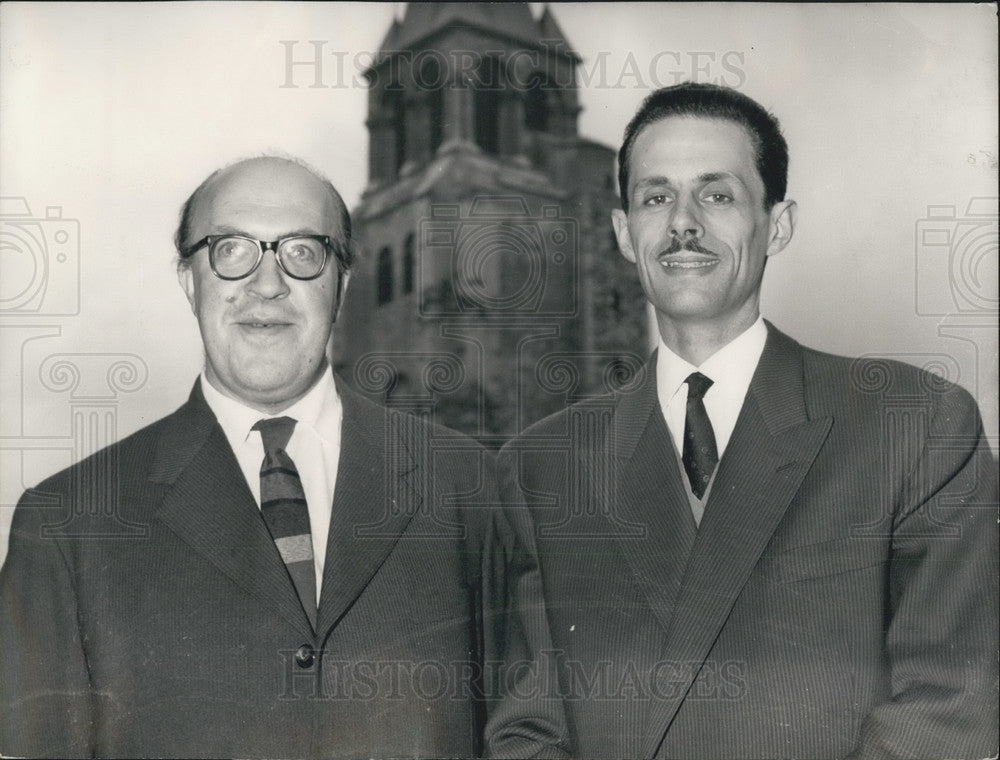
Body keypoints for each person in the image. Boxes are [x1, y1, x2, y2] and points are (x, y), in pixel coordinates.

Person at [0, 156, 568, 758]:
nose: (266, 285)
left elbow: (530, 733)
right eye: (231, 250)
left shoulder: (472, 487)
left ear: (343, 284)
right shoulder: (66, 525)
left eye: (302, 252)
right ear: (189, 281)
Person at [501, 83, 998, 758]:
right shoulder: (539, 468)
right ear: (623, 233)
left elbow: (951, 706)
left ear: (779, 224)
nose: (682, 223)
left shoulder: (914, 427)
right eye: (655, 197)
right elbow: (529, 728)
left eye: (717, 194)